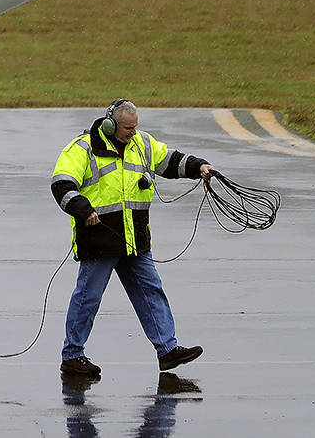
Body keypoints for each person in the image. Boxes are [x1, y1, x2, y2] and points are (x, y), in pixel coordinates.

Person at [51, 99, 216, 377]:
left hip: (134, 238)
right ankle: (72, 355)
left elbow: (171, 161)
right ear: (110, 124)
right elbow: (61, 183)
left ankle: (167, 350)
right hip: (99, 238)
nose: (132, 132)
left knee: (151, 292)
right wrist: (82, 208)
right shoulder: (82, 148)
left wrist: (199, 166)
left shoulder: (142, 143)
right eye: (128, 128)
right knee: (88, 298)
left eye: (135, 127)